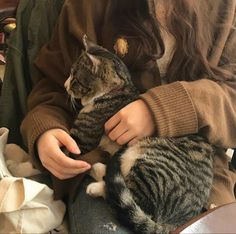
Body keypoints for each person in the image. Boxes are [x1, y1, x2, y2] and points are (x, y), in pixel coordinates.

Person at [20, 0, 236, 233]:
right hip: (99, 164)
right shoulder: (86, 7)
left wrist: (164, 109)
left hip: (200, 175)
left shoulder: (226, 8)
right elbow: (52, 87)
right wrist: (46, 129)